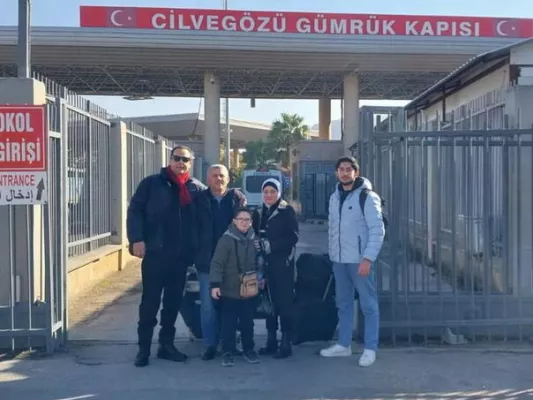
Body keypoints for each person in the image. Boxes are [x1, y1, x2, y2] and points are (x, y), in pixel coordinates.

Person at [127, 145, 206, 367]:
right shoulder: (151, 183)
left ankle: (166, 345)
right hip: (155, 254)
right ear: (170, 159)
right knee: (149, 303)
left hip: (180, 258)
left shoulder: (195, 189)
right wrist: (136, 239)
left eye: (186, 159)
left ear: (191, 163)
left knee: (173, 303)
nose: (181, 162)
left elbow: (207, 214)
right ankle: (143, 349)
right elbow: (135, 210)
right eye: (177, 158)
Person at [320, 156, 385, 367]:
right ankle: (344, 344)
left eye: (349, 169)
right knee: (343, 303)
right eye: (341, 169)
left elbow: (377, 229)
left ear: (355, 172)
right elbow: (333, 230)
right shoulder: (334, 197)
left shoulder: (367, 196)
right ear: (337, 172)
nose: (345, 173)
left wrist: (367, 258)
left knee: (368, 305)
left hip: (359, 261)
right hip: (339, 261)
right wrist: (333, 256)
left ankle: (370, 349)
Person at [194, 164, 246, 361]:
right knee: (208, 306)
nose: (218, 179)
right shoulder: (198, 200)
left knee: (232, 305)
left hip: (233, 264)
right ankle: (210, 345)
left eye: (222, 176)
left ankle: (231, 343)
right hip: (206, 262)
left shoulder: (237, 200)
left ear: (228, 179)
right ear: (208, 179)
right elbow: (193, 229)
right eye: (214, 176)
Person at [252, 178, 299, 359]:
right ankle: (271, 341)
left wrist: (271, 245)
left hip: (283, 265)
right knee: (268, 303)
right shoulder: (258, 212)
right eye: (266, 192)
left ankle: (286, 343)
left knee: (284, 303)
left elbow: (293, 238)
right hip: (264, 264)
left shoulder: (286, 211)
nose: (269, 195)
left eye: (273, 192)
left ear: (279, 193)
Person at [209, 208, 262, 367]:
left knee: (248, 323)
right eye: (241, 219)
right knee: (229, 324)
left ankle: (249, 349)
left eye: (247, 220)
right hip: (230, 291)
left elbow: (260, 261)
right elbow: (217, 264)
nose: (244, 222)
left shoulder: (254, 239)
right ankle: (228, 351)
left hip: (249, 291)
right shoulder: (225, 240)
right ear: (234, 221)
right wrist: (215, 285)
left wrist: (260, 277)